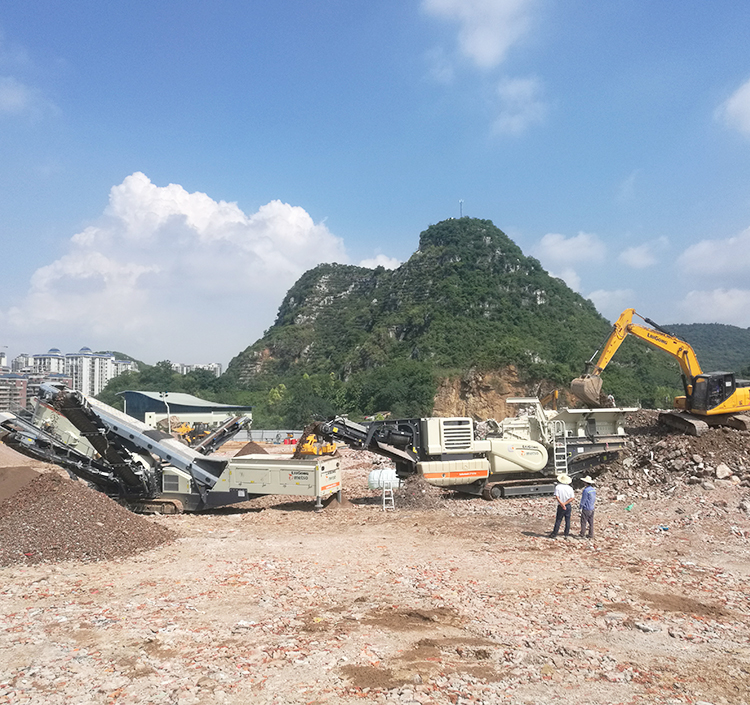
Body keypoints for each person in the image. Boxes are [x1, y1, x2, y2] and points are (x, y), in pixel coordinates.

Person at [549, 473, 574, 538]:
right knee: (567, 520)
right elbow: (572, 498)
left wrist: (562, 504)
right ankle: (566, 534)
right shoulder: (570, 488)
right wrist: (565, 504)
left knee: (558, 520)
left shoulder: (558, 487)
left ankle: (554, 533)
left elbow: (557, 496)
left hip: (560, 505)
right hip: (567, 505)